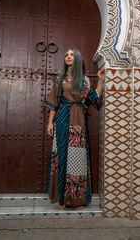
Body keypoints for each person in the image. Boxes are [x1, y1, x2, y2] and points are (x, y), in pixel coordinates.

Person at [45, 47, 105, 210]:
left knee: (76, 158)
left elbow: (93, 98)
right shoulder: (60, 80)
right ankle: (61, 199)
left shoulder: (84, 80)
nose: (68, 57)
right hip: (63, 117)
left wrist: (100, 81)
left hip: (78, 117)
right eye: (67, 55)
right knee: (62, 155)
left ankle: (77, 199)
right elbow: (54, 103)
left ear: (77, 59)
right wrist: (50, 123)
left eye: (72, 55)